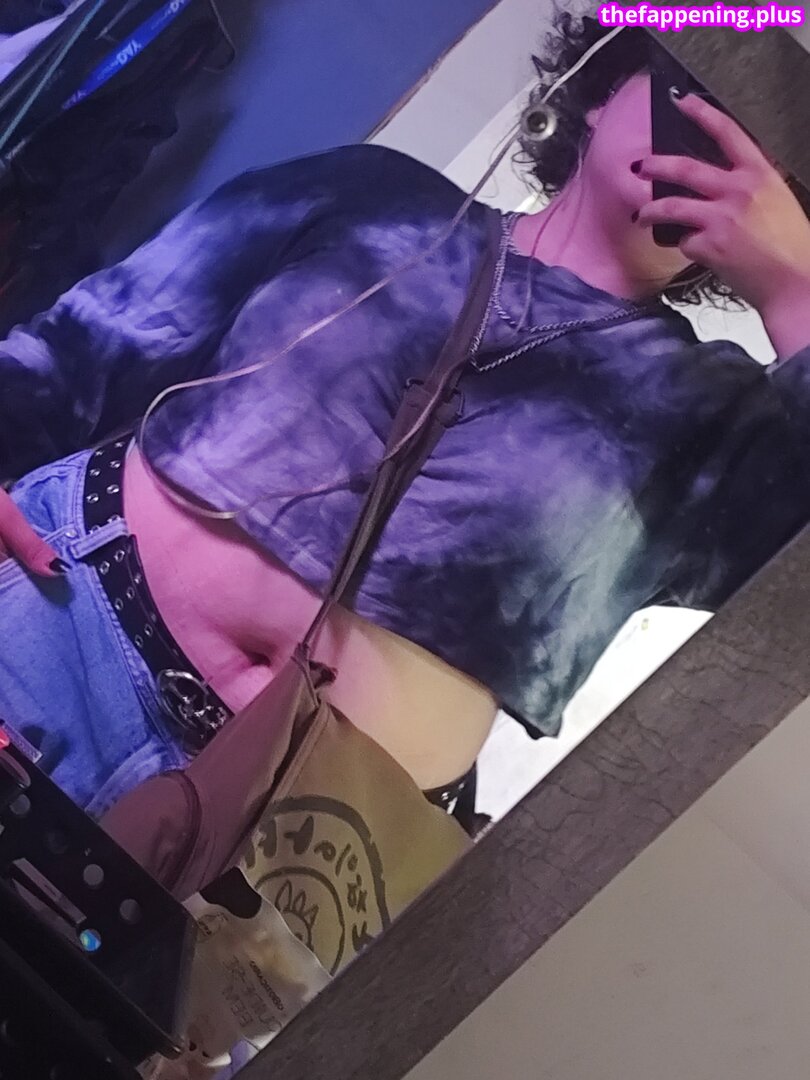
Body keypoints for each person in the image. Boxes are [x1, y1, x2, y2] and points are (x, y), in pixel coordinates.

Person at [2, 12, 810, 823]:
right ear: (601, 90)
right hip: (60, 634)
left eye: (760, 142)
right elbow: (87, 346)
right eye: (692, 91)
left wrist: (798, 292)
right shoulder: (376, 197)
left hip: (290, 837)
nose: (717, 141)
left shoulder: (723, 421)